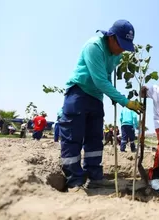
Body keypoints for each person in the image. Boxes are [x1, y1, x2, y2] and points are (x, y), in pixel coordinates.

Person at [59, 19, 143, 192]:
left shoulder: (117, 55)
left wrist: (112, 95)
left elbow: (107, 77)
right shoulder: (94, 47)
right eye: (120, 44)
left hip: (96, 98)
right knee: (73, 138)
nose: (121, 50)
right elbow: (99, 80)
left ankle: (94, 176)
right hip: (79, 93)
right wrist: (125, 101)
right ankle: (74, 179)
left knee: (95, 139)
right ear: (111, 37)